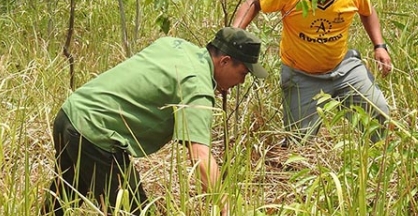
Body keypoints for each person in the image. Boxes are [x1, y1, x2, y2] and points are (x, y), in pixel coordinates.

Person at [43, 27, 267, 216]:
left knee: (63, 198)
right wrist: (225, 204)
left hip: (70, 114)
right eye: (243, 73)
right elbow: (199, 155)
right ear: (225, 61)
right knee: (132, 210)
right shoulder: (196, 86)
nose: (241, 81)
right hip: (95, 133)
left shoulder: (176, 45)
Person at [232, 0, 392, 144]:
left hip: (343, 67)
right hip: (301, 75)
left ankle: (377, 163)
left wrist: (379, 45)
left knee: (379, 113)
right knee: (299, 143)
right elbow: (254, 2)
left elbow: (367, 11)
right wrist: (234, 35)